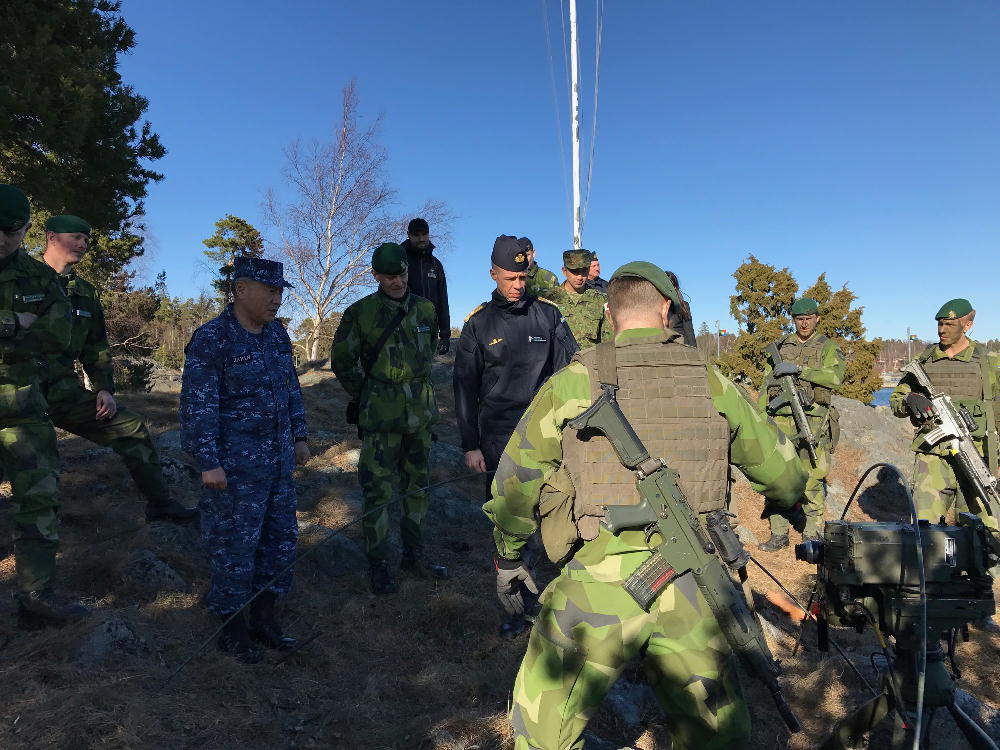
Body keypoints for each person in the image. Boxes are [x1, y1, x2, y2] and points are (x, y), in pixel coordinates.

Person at [483, 262, 807, 749]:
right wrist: (788, 502)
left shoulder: (575, 380)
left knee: (541, 735)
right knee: (716, 739)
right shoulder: (712, 380)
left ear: (610, 314)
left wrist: (508, 554)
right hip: (698, 586)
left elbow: (516, 480)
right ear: (666, 310)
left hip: (600, 578)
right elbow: (785, 475)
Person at [181, 257, 309, 662]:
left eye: (279, 291)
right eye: (269, 290)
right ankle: (232, 629)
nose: (277, 298)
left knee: (279, 543)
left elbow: (290, 390)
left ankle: (265, 619)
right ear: (241, 290)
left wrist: (300, 435)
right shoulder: (213, 338)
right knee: (234, 548)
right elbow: (197, 406)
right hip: (234, 470)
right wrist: (208, 461)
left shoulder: (277, 337)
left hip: (277, 465)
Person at [39, 215, 195, 524]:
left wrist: (105, 389)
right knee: (33, 458)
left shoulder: (84, 292)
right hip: (18, 391)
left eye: (86, 238)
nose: (83, 244)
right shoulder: (23, 279)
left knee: (131, 427)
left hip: (62, 391)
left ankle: (160, 504)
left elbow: (95, 346)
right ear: (51, 237)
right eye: (76, 237)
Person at [0, 185, 90, 628]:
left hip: (20, 407)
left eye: (10, 231)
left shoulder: (40, 278)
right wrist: (18, 326)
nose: (1, 240)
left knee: (39, 496)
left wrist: (9, 328)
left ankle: (35, 595)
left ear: (25, 230)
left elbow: (58, 337)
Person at [330, 243, 442, 595]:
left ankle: (414, 555)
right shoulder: (360, 313)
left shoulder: (425, 309)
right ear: (375, 275)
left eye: (403, 275)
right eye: (390, 276)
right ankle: (378, 562)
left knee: (417, 489)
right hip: (381, 419)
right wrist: (367, 395)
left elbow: (431, 351)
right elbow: (342, 362)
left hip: (420, 418)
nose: (398, 282)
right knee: (377, 492)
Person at [454, 235, 577, 473]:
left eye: (522, 277)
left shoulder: (548, 315)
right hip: (498, 435)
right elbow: (464, 388)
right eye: (510, 278)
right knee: (501, 507)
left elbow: (570, 371)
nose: (518, 285)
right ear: (494, 275)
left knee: (550, 505)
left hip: (545, 430)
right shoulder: (478, 324)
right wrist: (470, 445)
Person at [890, 299, 1000, 532]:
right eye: (940, 324)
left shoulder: (988, 362)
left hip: (977, 454)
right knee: (924, 530)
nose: (942, 330)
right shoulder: (924, 361)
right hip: (932, 458)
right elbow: (896, 402)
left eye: (949, 324)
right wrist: (909, 399)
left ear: (967, 325)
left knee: (987, 530)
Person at [758, 297, 844, 551]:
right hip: (780, 421)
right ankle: (779, 533)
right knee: (778, 478)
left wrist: (799, 370)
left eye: (808, 318)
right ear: (793, 320)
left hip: (813, 422)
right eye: (799, 319)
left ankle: (812, 533)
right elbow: (766, 383)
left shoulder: (828, 347)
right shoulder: (781, 346)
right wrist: (762, 416)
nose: (804, 323)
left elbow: (835, 377)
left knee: (812, 478)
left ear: (817, 318)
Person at [540, 249, 610, 348]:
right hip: (560, 362)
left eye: (584, 271)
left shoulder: (600, 300)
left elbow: (607, 342)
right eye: (575, 272)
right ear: (564, 271)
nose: (580, 277)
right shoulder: (548, 300)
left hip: (591, 361)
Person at [401, 218, 450, 354]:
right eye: (416, 235)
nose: (421, 238)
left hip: (429, 331)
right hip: (402, 330)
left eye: (424, 234)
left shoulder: (435, 264)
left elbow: (443, 300)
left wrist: (445, 335)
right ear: (409, 235)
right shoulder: (400, 259)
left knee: (426, 373)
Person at [664, 269, 696, 346]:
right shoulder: (656, 306)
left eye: (671, 284)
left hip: (681, 346)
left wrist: (694, 352)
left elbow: (689, 332)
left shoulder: (683, 305)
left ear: (676, 287)